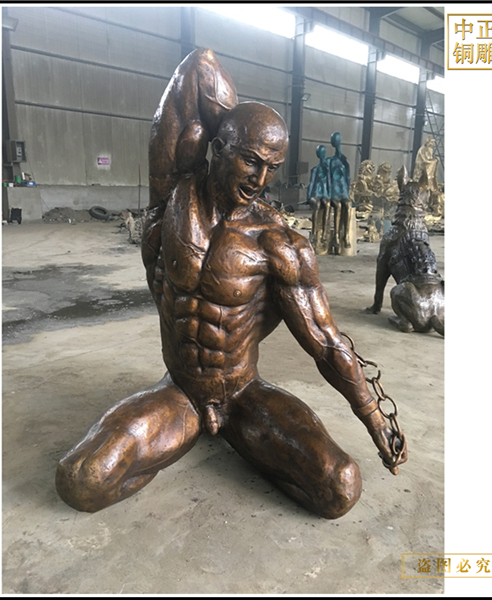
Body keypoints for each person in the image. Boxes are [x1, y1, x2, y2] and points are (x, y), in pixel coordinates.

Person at [55, 49, 407, 519]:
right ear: (218, 147)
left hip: (244, 397)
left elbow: (325, 343)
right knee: (81, 480)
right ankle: (181, 436)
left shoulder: (279, 244)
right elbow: (198, 67)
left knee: (340, 488)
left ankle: (246, 443)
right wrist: (229, 117)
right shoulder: (173, 198)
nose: (260, 179)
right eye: (250, 160)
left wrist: (374, 417)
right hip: (180, 392)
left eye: (272, 168)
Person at [327, 132, 352, 250]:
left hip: (342, 191)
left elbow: (348, 178)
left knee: (348, 205)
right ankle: (336, 236)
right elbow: (327, 179)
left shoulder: (344, 160)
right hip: (333, 192)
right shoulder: (329, 161)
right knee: (338, 206)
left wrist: (348, 192)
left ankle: (346, 235)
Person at [306, 145, 331, 253]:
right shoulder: (315, 169)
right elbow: (311, 183)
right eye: (321, 152)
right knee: (317, 205)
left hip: (324, 194)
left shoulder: (327, 169)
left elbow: (329, 184)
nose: (322, 155)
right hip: (315, 194)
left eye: (324, 152)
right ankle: (314, 231)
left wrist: (330, 195)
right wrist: (308, 197)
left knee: (327, 204)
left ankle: (325, 232)